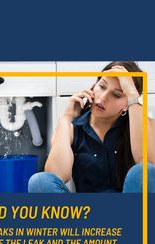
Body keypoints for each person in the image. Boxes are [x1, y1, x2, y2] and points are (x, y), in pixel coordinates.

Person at [28, 61, 155, 193]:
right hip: (85, 212)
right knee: (39, 181)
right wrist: (66, 117)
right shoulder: (71, 129)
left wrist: (132, 94)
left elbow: (148, 168)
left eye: (116, 94)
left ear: (127, 103)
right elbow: (54, 176)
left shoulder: (145, 124)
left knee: (145, 170)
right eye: (102, 86)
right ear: (93, 86)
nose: (103, 97)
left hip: (130, 210)